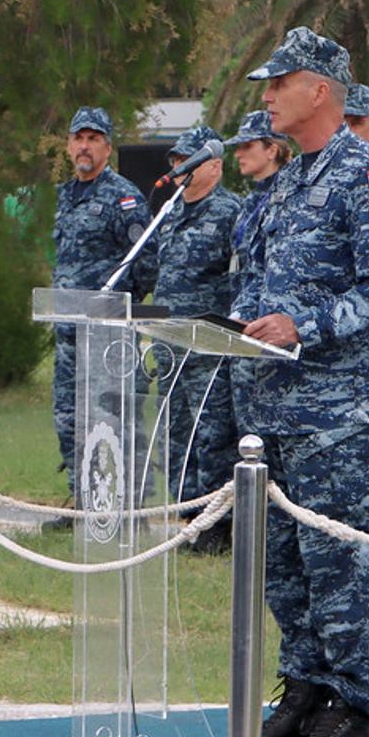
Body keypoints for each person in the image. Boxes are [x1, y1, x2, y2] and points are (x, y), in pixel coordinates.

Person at [233, 27, 369, 737]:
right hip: (271, 411)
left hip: (332, 413)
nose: (267, 96)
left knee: (336, 564)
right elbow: (262, 281)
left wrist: (301, 326)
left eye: (279, 83)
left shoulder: (363, 175)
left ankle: (355, 704)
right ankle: (305, 687)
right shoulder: (288, 181)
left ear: (320, 90)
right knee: (285, 565)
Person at [140, 125, 241, 550]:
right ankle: (189, 517)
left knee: (213, 434)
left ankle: (218, 524)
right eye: (176, 161)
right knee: (176, 434)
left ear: (214, 166)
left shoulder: (231, 212)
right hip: (170, 344)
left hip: (209, 347)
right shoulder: (169, 214)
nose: (179, 168)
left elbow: (240, 281)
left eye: (189, 161)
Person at [49, 107, 151, 528]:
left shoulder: (123, 197)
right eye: (78, 138)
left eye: (94, 138)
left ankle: (127, 507)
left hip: (107, 332)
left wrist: (118, 309)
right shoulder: (65, 196)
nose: (84, 146)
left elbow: (145, 262)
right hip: (69, 334)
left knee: (113, 417)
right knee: (69, 418)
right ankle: (84, 500)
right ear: (69, 145)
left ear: (108, 147)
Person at [225, 108, 292, 447]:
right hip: (243, 331)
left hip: (270, 333)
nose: (238, 154)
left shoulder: (288, 195)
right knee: (248, 438)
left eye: (247, 146)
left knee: (271, 443)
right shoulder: (250, 201)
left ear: (272, 149)